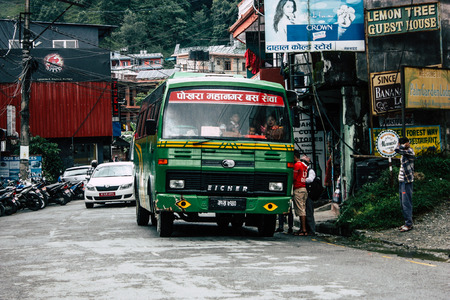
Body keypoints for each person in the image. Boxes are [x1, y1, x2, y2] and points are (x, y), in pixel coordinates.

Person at [395, 137, 415, 232]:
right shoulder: (404, 152)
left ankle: (408, 224)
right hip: (402, 180)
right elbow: (397, 149)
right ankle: (406, 222)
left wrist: (404, 145)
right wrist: (401, 145)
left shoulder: (410, 151)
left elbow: (397, 149)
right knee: (402, 203)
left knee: (406, 203)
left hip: (407, 181)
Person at [292, 150, 309, 236]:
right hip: (304, 188)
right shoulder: (304, 165)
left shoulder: (297, 165)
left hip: (298, 189)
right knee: (302, 209)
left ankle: (304, 230)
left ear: (294, 156)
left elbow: (293, 178)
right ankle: (302, 229)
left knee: (301, 210)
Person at [302, 155, 316, 235]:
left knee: (309, 212)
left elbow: (310, 179)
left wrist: (301, 179)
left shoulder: (310, 171)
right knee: (303, 212)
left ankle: (312, 230)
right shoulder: (302, 170)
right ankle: (305, 229)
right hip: (303, 193)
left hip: (309, 194)